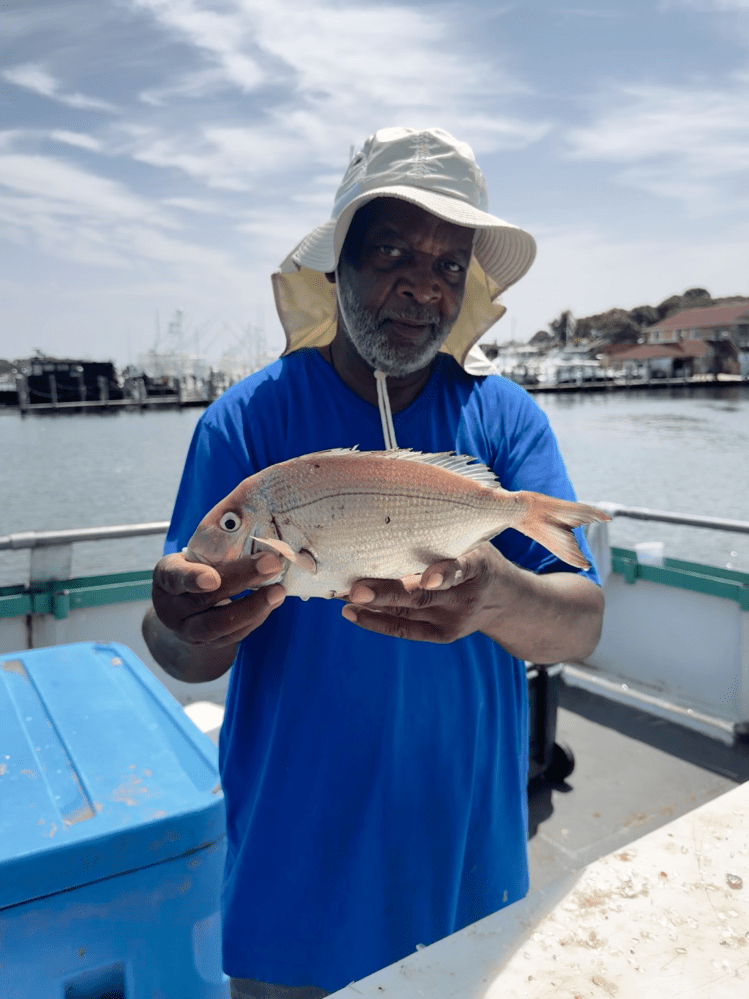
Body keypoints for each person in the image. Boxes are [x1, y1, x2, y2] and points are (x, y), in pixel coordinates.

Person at [142, 127, 604, 999]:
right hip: (295, 870)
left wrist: (496, 594)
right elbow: (180, 650)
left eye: (447, 262)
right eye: (391, 248)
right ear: (338, 264)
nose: (421, 284)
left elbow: (580, 621)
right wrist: (184, 624)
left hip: (468, 855)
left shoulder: (504, 423)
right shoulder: (245, 426)